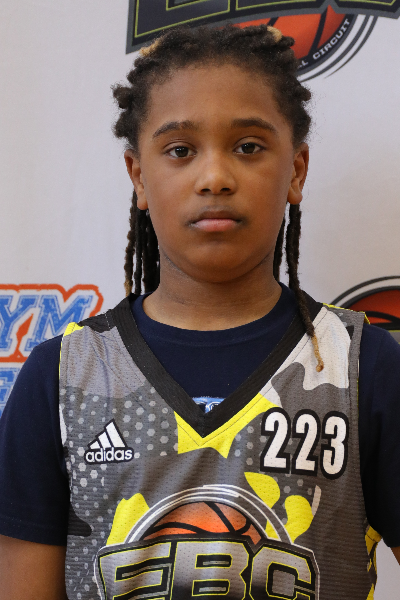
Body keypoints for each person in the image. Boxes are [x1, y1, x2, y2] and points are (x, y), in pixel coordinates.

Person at [0, 23, 399, 600]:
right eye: (180, 151)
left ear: (296, 170)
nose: (214, 178)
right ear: (139, 176)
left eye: (248, 146)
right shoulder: (61, 378)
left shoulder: (363, 366)